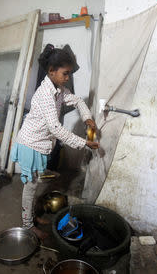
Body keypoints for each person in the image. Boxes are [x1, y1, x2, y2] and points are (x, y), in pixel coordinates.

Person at [11, 44, 100, 239]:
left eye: (69, 74)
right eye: (65, 74)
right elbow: (56, 128)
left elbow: (77, 101)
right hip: (30, 144)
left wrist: (87, 117)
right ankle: (27, 226)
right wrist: (84, 143)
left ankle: (32, 217)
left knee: (34, 185)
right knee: (31, 187)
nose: (68, 78)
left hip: (39, 143)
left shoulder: (58, 89)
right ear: (51, 71)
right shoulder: (45, 95)